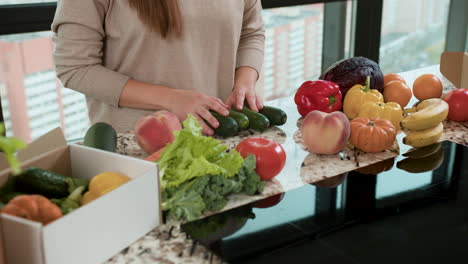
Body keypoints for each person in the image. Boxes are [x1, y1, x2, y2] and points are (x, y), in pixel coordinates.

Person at [52, 0, 265, 135]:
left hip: (221, 134)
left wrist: (244, 82)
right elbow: (76, 67)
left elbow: (251, 32)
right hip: (137, 148)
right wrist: (172, 99)